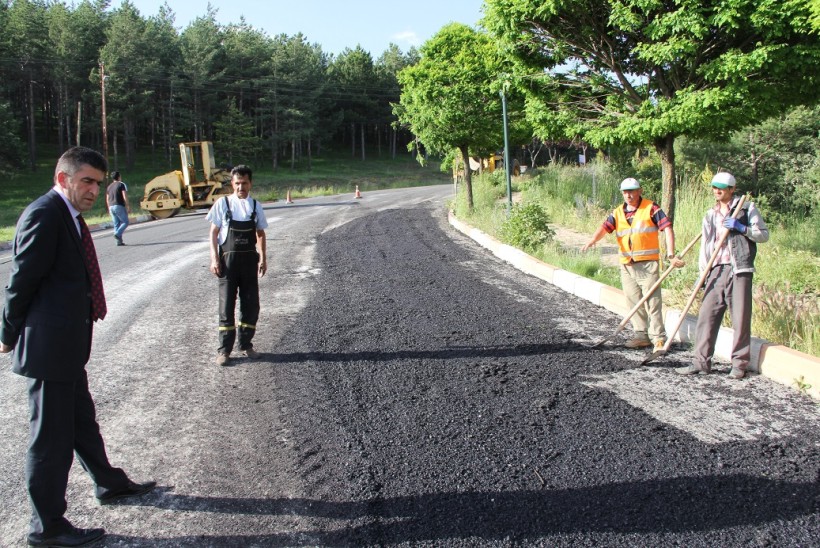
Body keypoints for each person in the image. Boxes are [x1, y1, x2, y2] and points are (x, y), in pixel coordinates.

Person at [0, 147, 155, 547]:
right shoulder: (44, 214)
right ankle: (46, 527)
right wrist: (6, 333)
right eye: (86, 181)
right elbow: (21, 281)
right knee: (50, 440)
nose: (93, 190)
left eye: (98, 183)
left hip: (66, 346)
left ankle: (108, 483)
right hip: (48, 349)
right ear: (62, 178)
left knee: (82, 422)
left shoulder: (69, 216)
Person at [676, 172, 769, 379]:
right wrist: (703, 274)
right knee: (707, 315)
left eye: (721, 188)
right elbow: (705, 247)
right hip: (716, 269)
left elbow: (763, 234)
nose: (717, 191)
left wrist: (742, 228)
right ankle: (701, 362)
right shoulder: (711, 214)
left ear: (732, 189)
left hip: (740, 269)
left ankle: (739, 365)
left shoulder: (746, 209)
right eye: (714, 188)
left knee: (740, 318)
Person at [581, 177, 684, 350]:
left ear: (640, 191)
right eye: (626, 192)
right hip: (627, 265)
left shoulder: (651, 208)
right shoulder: (617, 213)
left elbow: (667, 228)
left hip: (647, 264)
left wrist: (671, 254)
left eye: (632, 191)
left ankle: (658, 338)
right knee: (633, 301)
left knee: (653, 301)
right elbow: (605, 227)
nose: (629, 195)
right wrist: (592, 240)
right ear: (622, 193)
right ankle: (641, 335)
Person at [207, 164, 268, 366]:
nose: (240, 187)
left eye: (244, 183)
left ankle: (246, 345)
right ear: (232, 184)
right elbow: (214, 233)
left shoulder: (256, 206)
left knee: (251, 305)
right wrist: (214, 258)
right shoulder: (222, 204)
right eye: (237, 183)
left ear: (250, 183)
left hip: (249, 263)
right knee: (226, 307)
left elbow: (260, 233)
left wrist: (263, 258)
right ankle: (224, 350)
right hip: (228, 264)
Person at [105, 170, 129, 246]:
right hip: (119, 205)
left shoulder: (109, 186)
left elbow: (107, 198)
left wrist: (109, 208)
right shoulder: (121, 184)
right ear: (119, 177)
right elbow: (124, 196)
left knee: (116, 224)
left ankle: (119, 242)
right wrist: (128, 205)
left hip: (111, 206)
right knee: (125, 222)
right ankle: (117, 234)